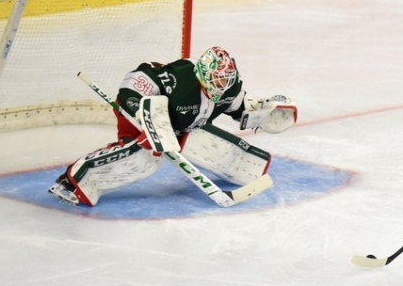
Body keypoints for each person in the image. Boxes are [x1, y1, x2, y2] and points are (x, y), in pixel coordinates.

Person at [48, 46, 297, 206]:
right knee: (145, 156)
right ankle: (73, 180)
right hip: (140, 115)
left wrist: (264, 113)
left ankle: (244, 166)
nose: (221, 86)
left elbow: (242, 109)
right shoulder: (181, 77)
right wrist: (142, 118)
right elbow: (135, 82)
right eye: (217, 80)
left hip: (181, 126)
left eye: (225, 80)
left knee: (208, 144)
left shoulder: (229, 88)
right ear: (203, 74)